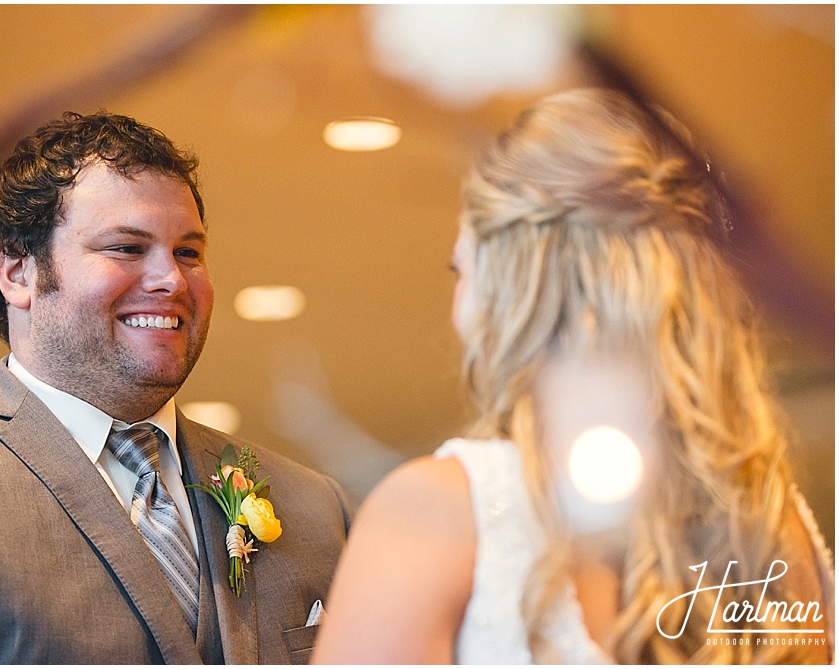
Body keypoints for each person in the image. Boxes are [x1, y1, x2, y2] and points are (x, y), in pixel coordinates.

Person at [312, 88, 834, 664]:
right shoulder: (768, 522)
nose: (457, 312)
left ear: (514, 284)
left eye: (460, 268)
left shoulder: (438, 512)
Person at [0, 111, 351, 664]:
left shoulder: (315, 507)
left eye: (188, 252)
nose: (172, 281)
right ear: (17, 272)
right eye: (126, 248)